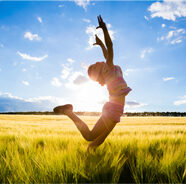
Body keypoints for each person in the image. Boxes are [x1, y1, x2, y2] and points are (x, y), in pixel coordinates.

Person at [53, 15, 131, 152]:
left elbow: (107, 54)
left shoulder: (112, 68)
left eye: (94, 64)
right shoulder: (109, 69)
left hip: (115, 109)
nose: (97, 62)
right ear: (101, 72)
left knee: (99, 139)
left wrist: (101, 45)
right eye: (95, 66)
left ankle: (91, 150)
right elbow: (110, 47)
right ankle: (69, 112)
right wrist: (105, 29)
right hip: (113, 110)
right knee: (90, 136)